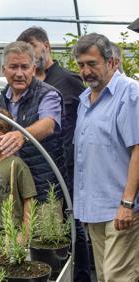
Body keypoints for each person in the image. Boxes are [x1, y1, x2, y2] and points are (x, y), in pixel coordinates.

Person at [17, 26, 91, 282]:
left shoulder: (68, 79)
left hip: (69, 163)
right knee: (46, 228)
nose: (30, 56)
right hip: (42, 167)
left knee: (74, 224)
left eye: (33, 49)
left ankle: (81, 275)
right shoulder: (30, 84)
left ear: (46, 47)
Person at [73, 32, 139, 282]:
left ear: (111, 62)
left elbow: (138, 150)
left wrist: (127, 203)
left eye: (92, 63)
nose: (86, 71)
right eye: (81, 65)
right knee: (103, 276)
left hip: (120, 209)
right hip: (95, 209)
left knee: (117, 277)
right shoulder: (85, 100)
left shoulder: (130, 93)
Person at [0, 41, 66, 206]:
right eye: (13, 67)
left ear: (33, 69)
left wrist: (21, 135)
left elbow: (48, 125)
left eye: (25, 67)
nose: (19, 73)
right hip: (12, 187)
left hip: (43, 188)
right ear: (3, 70)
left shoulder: (47, 94)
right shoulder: (3, 97)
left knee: (45, 230)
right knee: (10, 231)